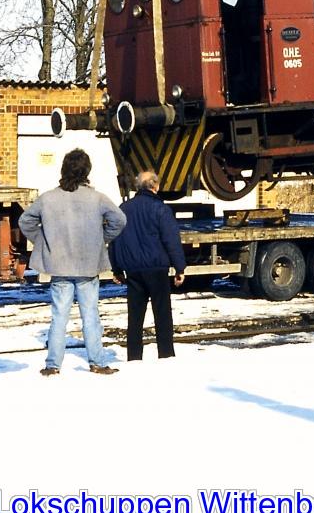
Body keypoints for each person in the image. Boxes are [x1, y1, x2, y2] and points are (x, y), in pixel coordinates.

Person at [19, 149, 126, 376]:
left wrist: (42, 241)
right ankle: (97, 362)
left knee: (59, 317)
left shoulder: (48, 198)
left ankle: (53, 365)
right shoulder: (97, 198)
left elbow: (25, 221)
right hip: (88, 266)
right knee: (91, 316)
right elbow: (119, 220)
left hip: (59, 266)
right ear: (87, 171)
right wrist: (102, 239)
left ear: (63, 169)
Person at [109, 171, 188, 360]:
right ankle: (166, 354)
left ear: (138, 187)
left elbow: (115, 240)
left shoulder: (124, 209)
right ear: (156, 186)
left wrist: (116, 268)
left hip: (133, 271)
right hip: (156, 268)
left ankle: (134, 356)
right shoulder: (160, 209)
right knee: (162, 314)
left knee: (135, 317)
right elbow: (171, 239)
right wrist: (179, 267)